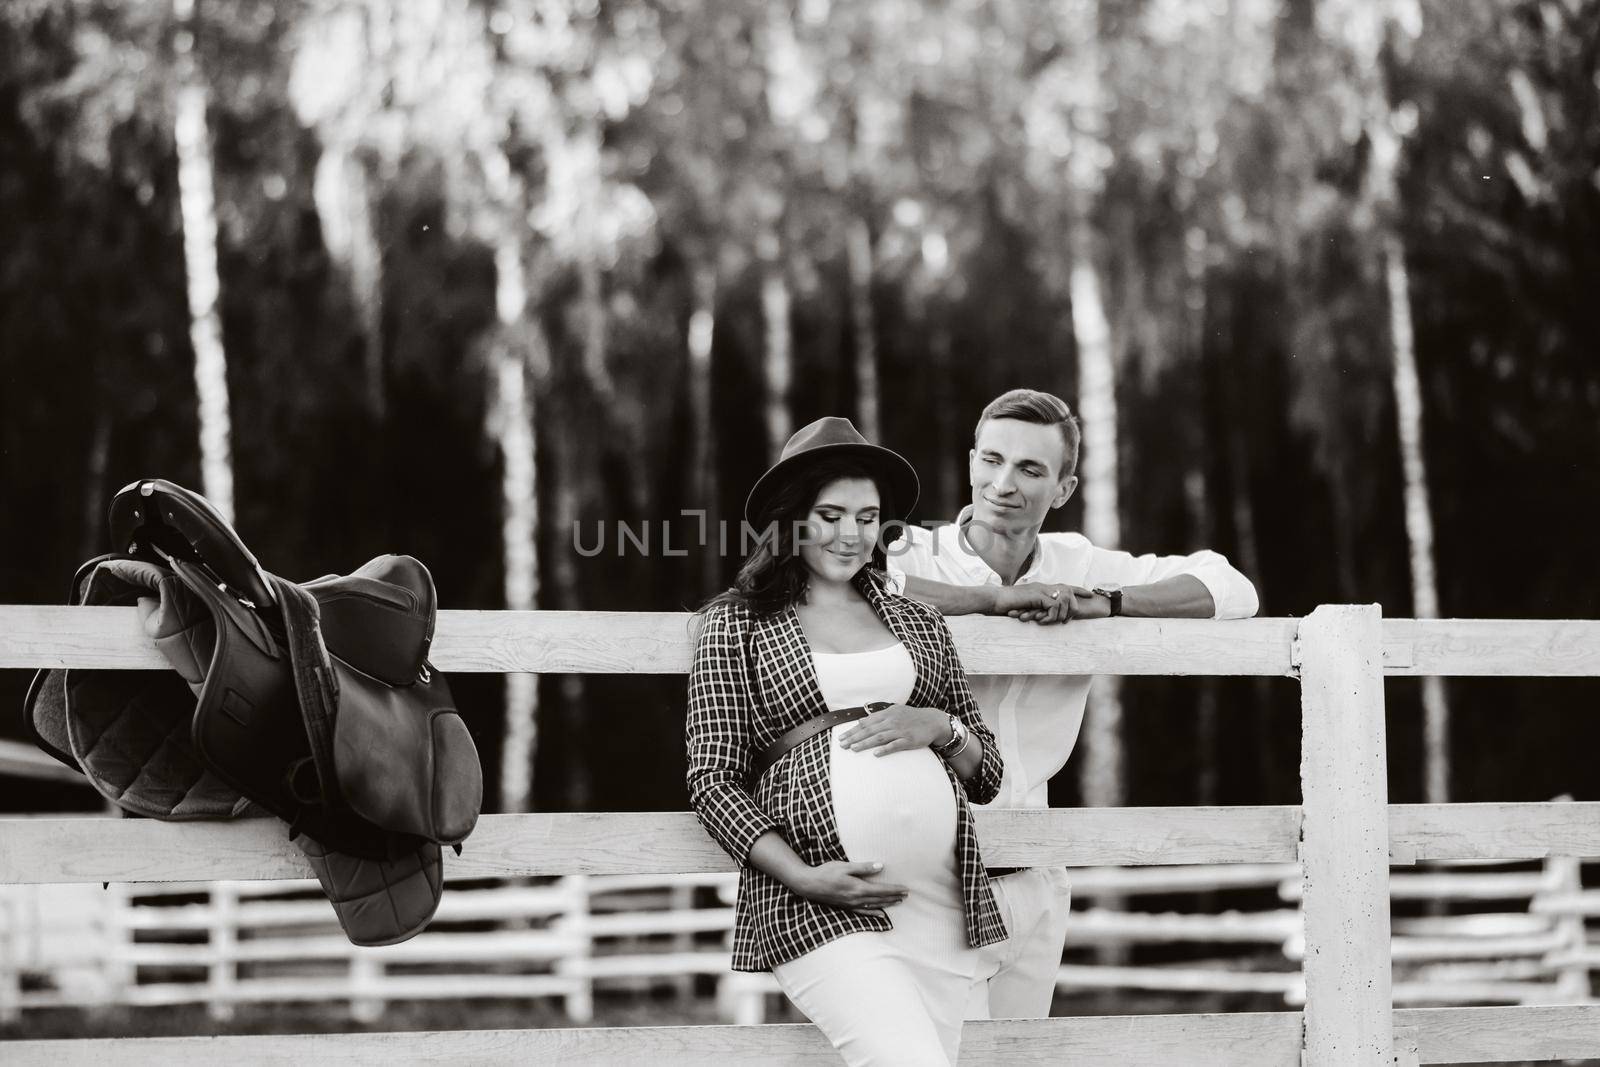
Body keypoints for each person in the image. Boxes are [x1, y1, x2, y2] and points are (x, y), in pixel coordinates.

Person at [884, 388, 1261, 1021]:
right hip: (927, 880)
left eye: (1031, 469)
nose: (1003, 483)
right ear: (971, 460)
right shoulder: (908, 551)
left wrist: (1105, 602)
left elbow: (1231, 587)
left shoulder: (1078, 562)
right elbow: (835, 577)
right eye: (992, 460)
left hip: (1036, 878)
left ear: (1063, 488)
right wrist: (992, 603)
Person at [686, 416, 1008, 1066]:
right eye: (829, 513)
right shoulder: (737, 623)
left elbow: (989, 774)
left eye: (866, 515)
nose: (850, 532)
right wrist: (805, 876)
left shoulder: (918, 621)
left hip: (940, 903)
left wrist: (940, 728)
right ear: (792, 518)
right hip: (818, 903)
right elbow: (712, 780)